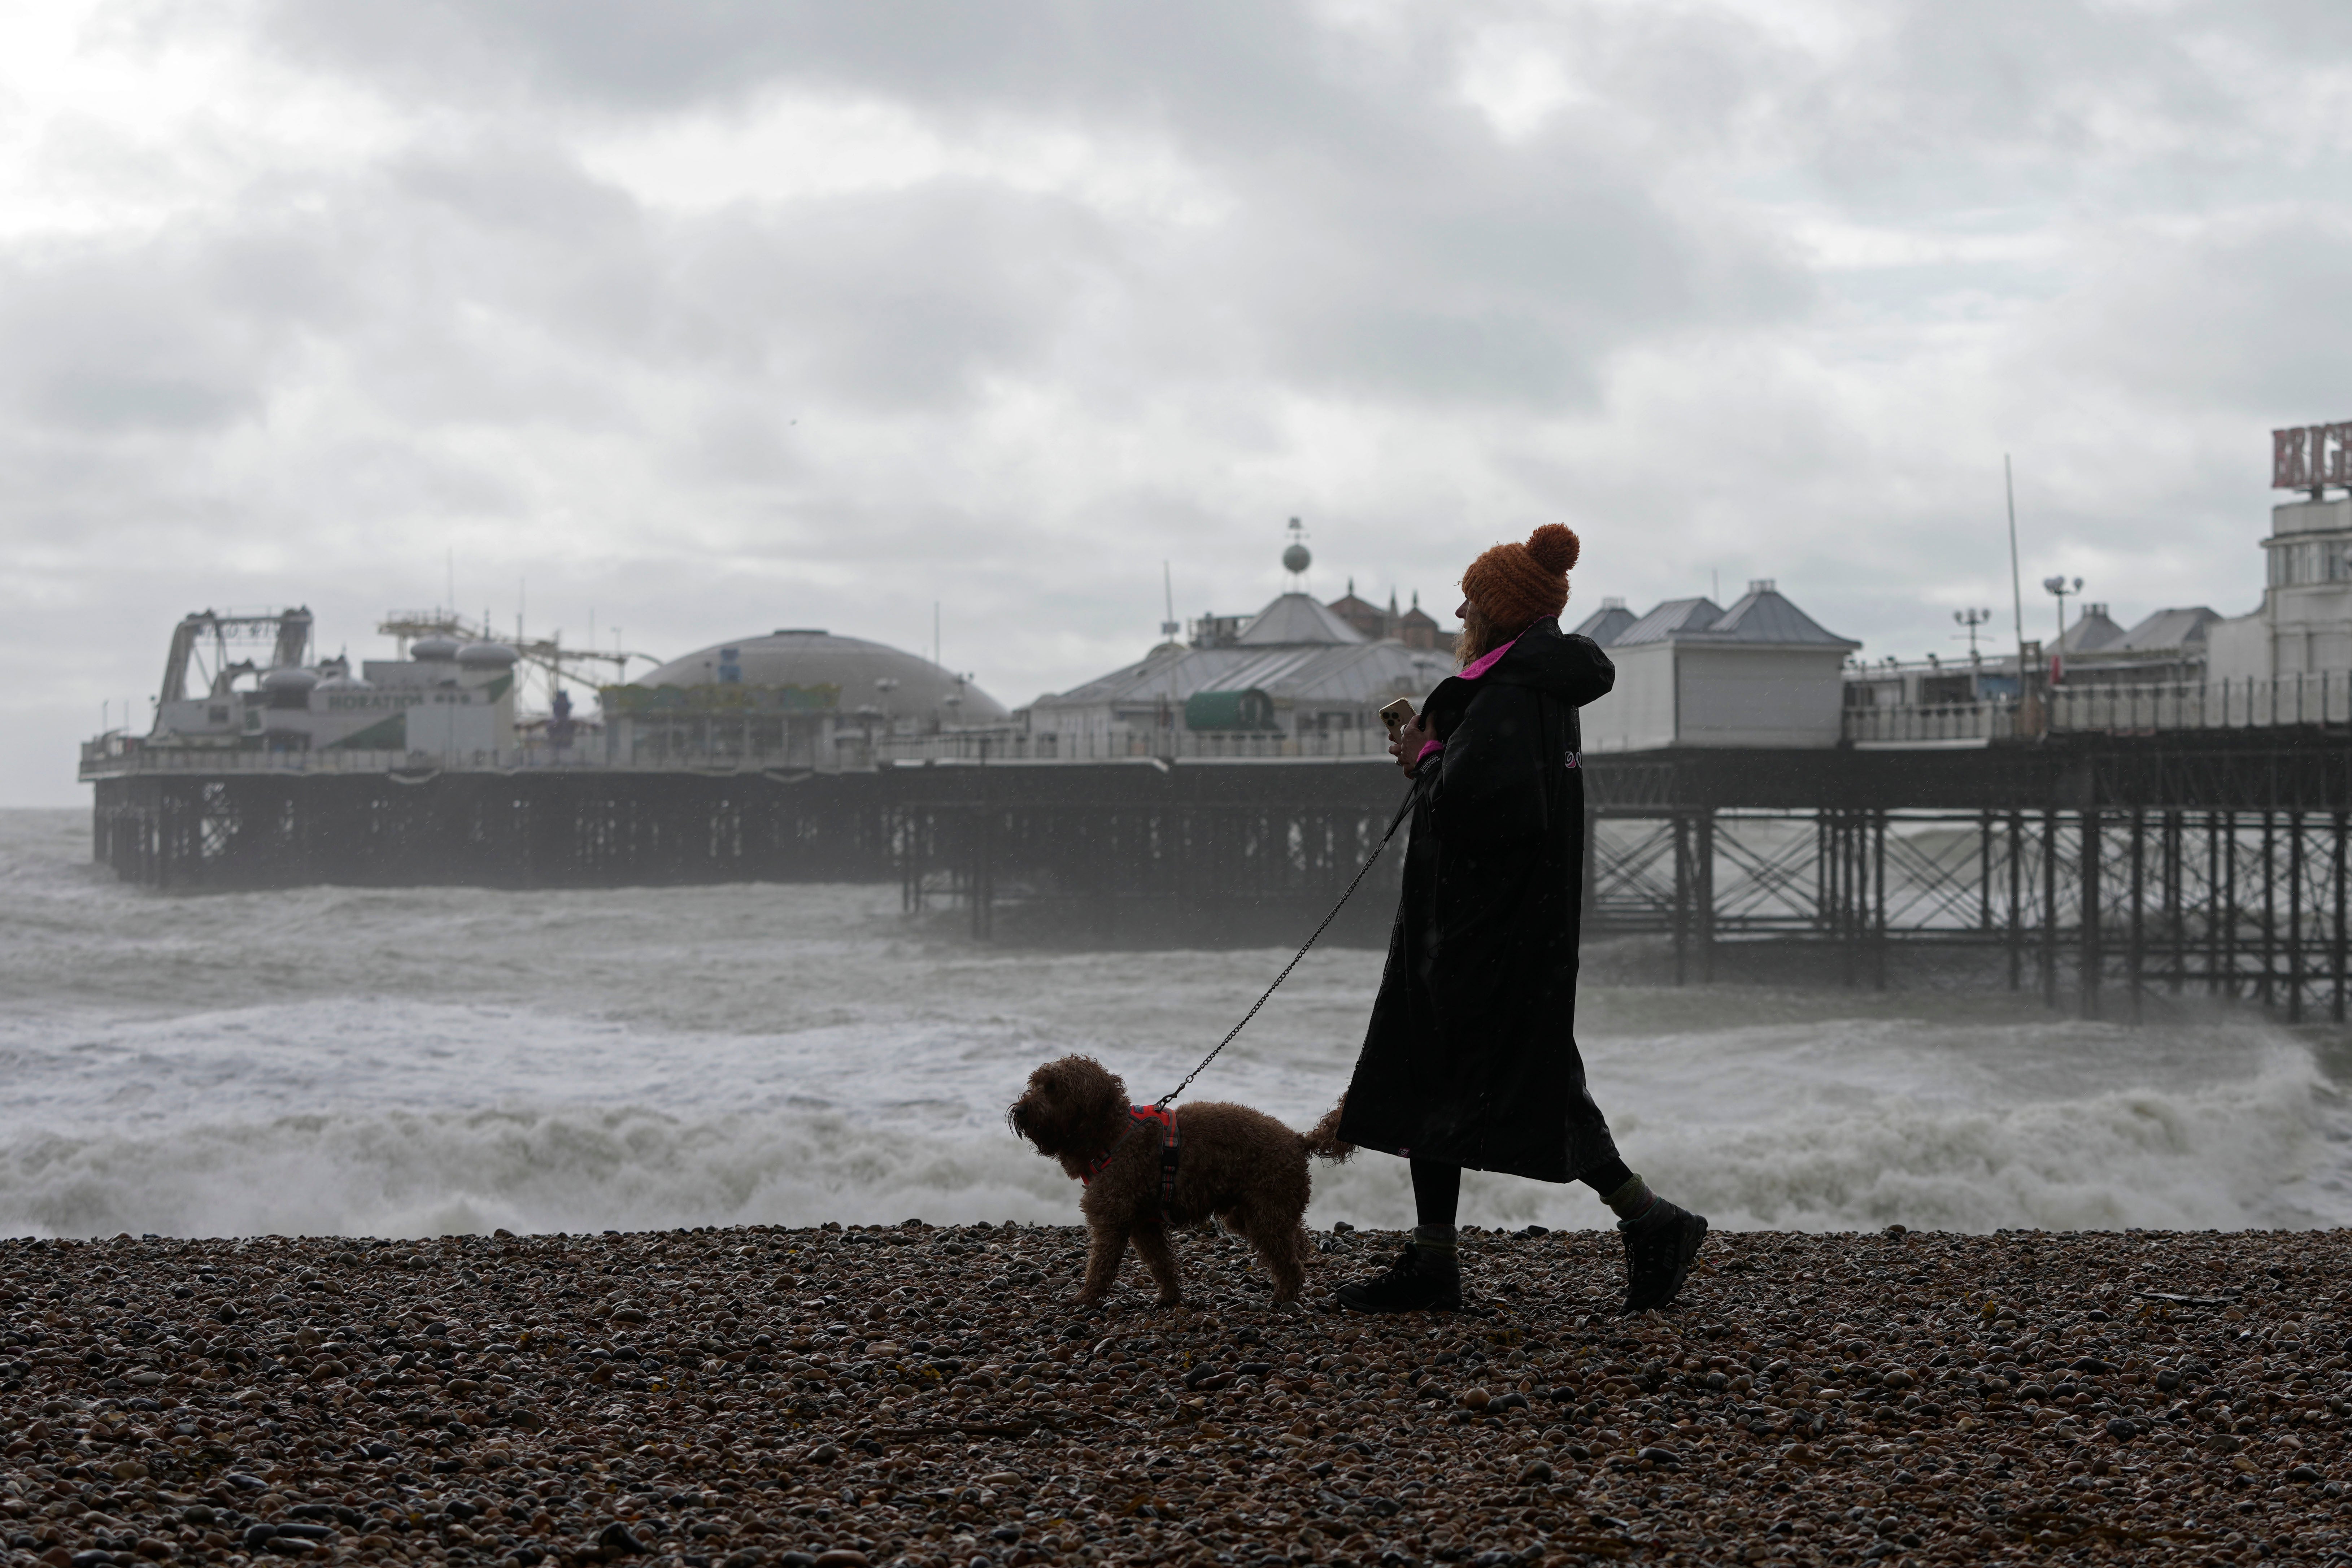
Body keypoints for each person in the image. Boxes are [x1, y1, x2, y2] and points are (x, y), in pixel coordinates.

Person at [1334, 523, 1707, 1315]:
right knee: (1460, 1079)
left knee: (1516, 1082)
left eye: (1472, 594)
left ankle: (1653, 1220)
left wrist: (1424, 759)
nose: (1460, 605)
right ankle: (1438, 1259)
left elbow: (1486, 808)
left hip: (1483, 931)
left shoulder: (1506, 694)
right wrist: (1439, 752)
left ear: (1500, 607)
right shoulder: (1537, 683)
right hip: (1501, 925)